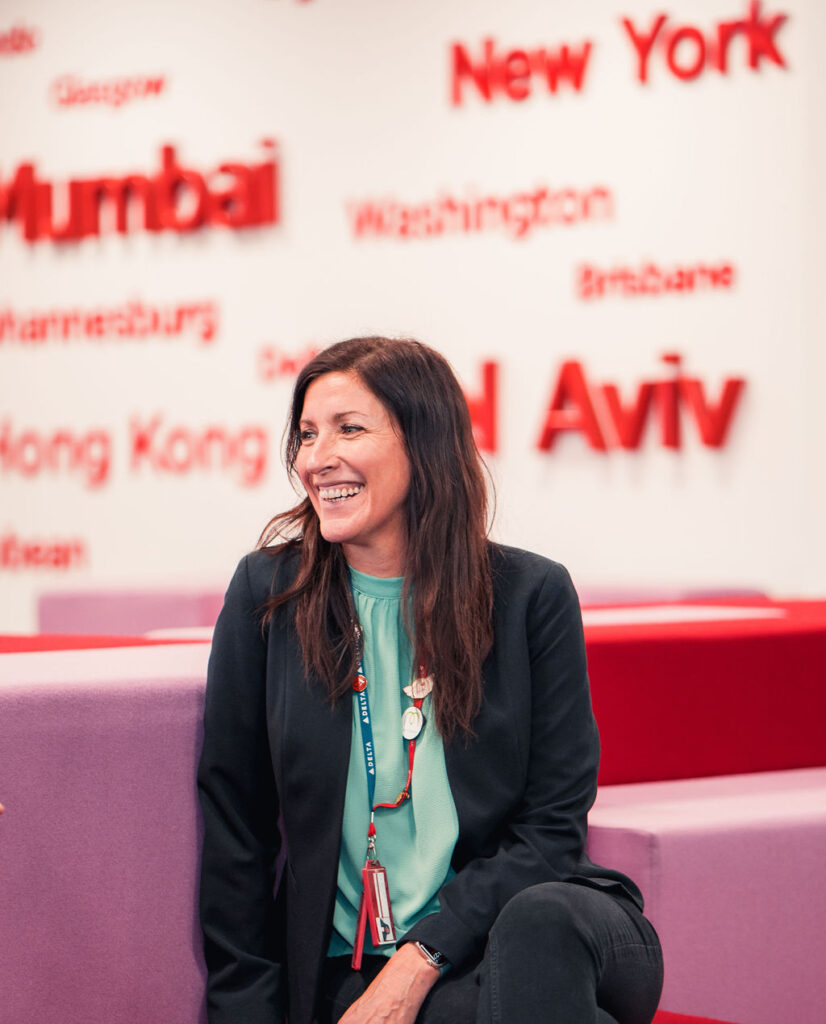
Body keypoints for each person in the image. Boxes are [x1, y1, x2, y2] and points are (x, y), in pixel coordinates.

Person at [198, 336, 663, 1024]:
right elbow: (236, 825)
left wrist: (422, 957)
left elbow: (551, 828)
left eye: (349, 428)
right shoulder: (270, 595)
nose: (316, 458)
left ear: (426, 442)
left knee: (537, 929)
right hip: (355, 965)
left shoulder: (529, 595)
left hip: (536, 927)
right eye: (305, 435)